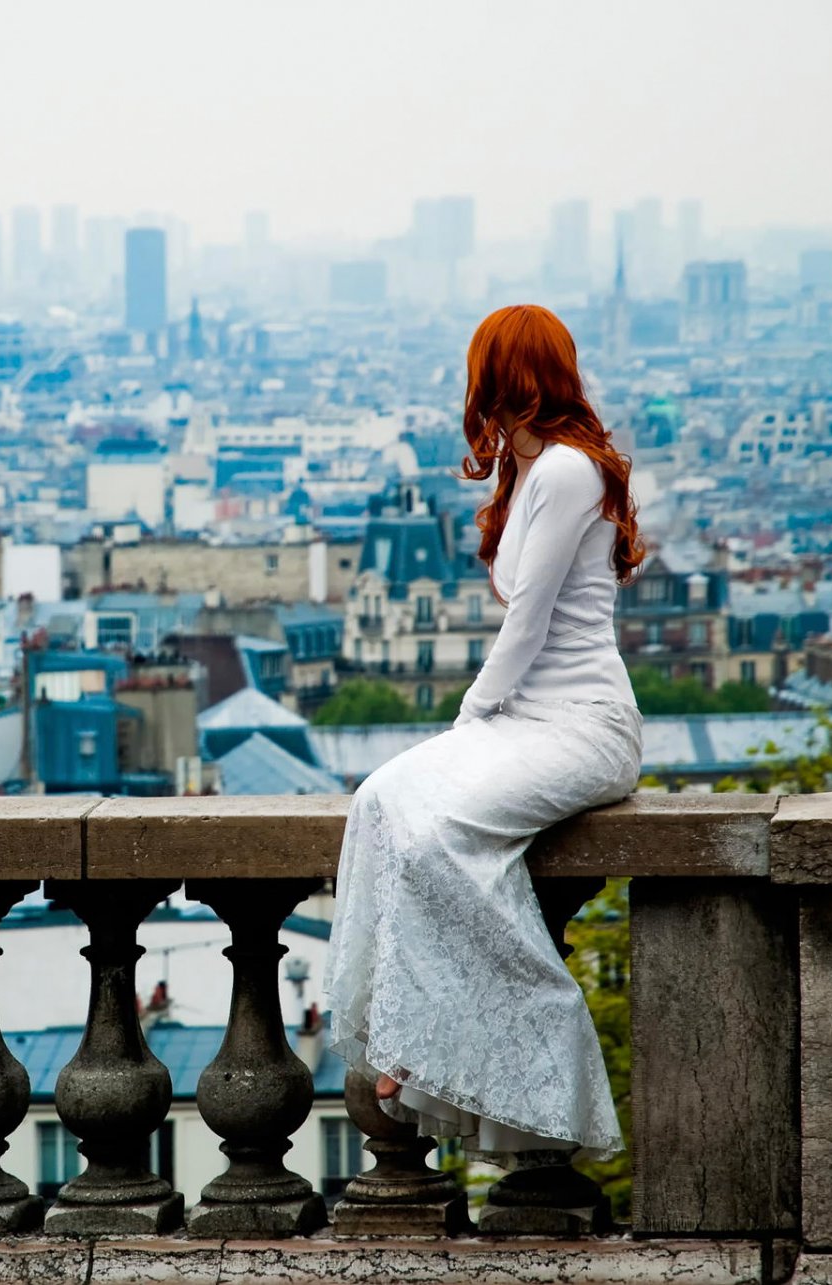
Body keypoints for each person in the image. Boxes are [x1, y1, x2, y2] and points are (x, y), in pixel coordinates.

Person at [321, 303, 646, 1163]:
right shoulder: (532, 471)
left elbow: (531, 619)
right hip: (524, 721)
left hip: (582, 724)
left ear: (502, 375)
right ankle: (403, 1026)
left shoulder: (570, 470)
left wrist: (469, 718)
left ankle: (531, 1042)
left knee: (443, 835)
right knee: (381, 797)